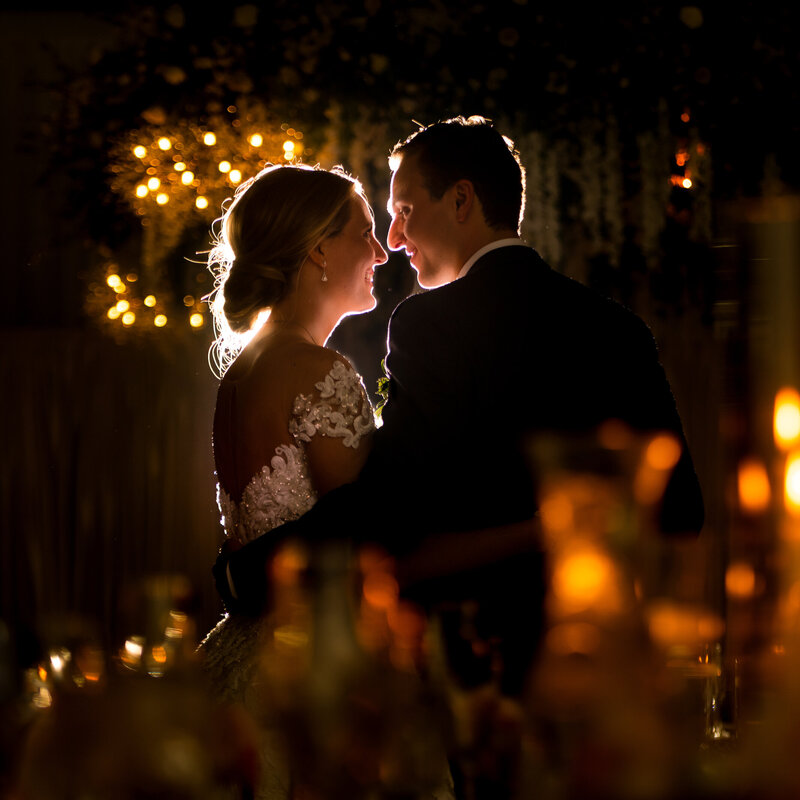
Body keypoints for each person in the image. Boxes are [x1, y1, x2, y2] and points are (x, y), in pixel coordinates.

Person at [214, 117, 704, 793]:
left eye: (405, 211)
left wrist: (253, 569)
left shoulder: (431, 323)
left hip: (471, 674)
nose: (393, 239)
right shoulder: (618, 329)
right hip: (604, 678)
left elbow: (391, 505)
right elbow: (682, 509)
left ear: (463, 201)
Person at [196, 163, 429, 798]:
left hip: (238, 649)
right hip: (307, 661)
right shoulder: (320, 371)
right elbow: (366, 534)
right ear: (319, 249)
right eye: (365, 234)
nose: (382, 252)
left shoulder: (246, 367)